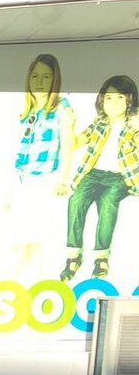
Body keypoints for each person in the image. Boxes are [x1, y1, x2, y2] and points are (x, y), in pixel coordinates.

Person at [60, 75, 139, 281]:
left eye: (119, 97)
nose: (113, 103)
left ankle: (101, 258)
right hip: (94, 174)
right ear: (101, 100)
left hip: (119, 177)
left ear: (130, 100)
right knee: (76, 200)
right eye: (109, 98)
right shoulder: (99, 123)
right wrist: (69, 126)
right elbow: (76, 142)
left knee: (108, 204)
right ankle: (73, 256)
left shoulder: (134, 123)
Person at [10, 54, 75, 279]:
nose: (39, 81)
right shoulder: (26, 110)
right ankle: (17, 283)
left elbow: (68, 145)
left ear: (54, 79)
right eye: (35, 76)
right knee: (20, 237)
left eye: (46, 76)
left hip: (44, 179)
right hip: (22, 178)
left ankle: (36, 283)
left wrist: (63, 179)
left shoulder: (62, 109)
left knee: (36, 238)